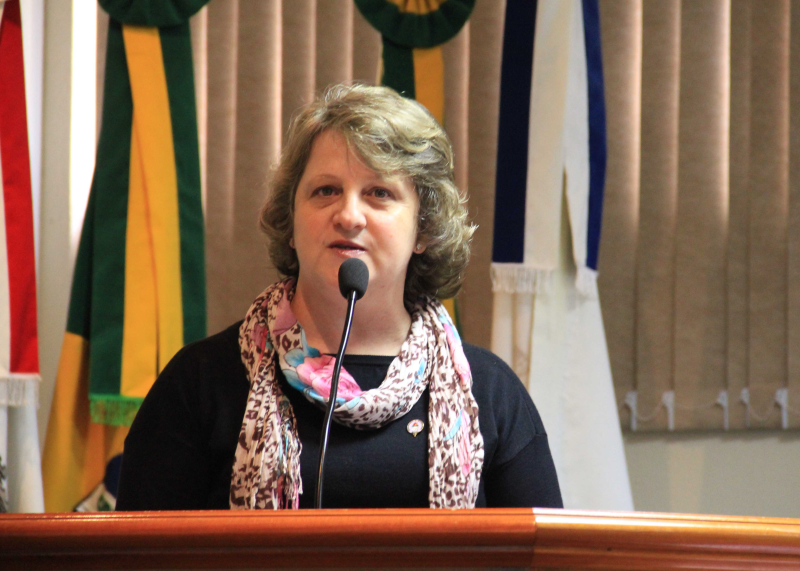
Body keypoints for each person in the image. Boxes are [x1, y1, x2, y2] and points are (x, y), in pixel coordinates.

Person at [116, 84, 562, 511]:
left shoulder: (489, 392)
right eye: (325, 191)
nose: (349, 215)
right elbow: (135, 552)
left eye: (379, 193)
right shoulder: (200, 383)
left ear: (423, 230)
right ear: (291, 221)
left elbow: (546, 551)